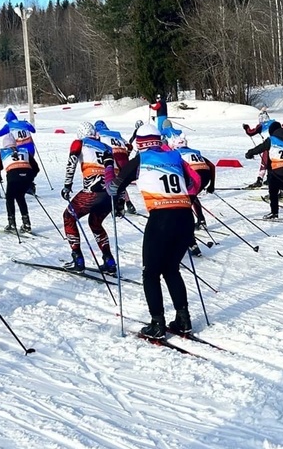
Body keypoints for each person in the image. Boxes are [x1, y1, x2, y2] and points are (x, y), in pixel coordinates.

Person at [109, 123, 202, 338]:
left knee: (150, 273)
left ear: (140, 143)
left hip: (161, 218)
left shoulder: (140, 159)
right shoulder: (176, 157)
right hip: (186, 217)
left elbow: (113, 188)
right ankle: (183, 319)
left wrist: (107, 169)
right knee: (171, 269)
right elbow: (194, 183)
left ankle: (157, 324)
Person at [61, 121, 118, 274]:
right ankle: (109, 260)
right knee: (95, 222)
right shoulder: (106, 147)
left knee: (68, 216)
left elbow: (71, 162)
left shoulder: (79, 143)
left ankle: (77, 259)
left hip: (92, 191)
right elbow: (116, 171)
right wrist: (120, 199)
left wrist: (67, 185)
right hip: (109, 193)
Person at [244, 121, 283, 220]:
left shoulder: (271, 140)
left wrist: (250, 153)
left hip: (277, 168)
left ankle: (274, 213)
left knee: (273, 190)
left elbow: (260, 148)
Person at [0, 133, 39, 233]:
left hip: (13, 177)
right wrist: (30, 178)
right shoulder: (25, 151)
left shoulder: (1, 153)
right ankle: (27, 224)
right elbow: (36, 168)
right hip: (27, 176)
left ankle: (12, 223)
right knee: (20, 197)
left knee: (9, 198)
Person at [170, 133, 215, 231]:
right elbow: (212, 165)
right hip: (206, 176)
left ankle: (185, 226)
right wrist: (212, 185)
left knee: (185, 201)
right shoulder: (194, 152)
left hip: (195, 177)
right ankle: (201, 220)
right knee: (192, 195)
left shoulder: (176, 153)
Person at [242, 108, 273, 188]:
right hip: (278, 145)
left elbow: (250, 132)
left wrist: (246, 127)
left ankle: (260, 179)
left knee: (265, 162)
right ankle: (270, 178)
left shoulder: (261, 126)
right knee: (273, 162)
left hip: (267, 145)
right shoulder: (274, 123)